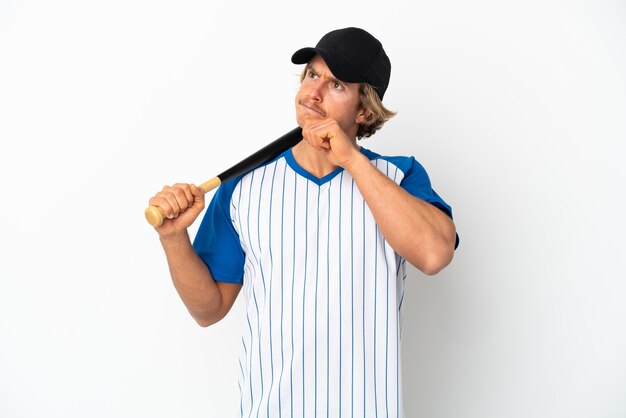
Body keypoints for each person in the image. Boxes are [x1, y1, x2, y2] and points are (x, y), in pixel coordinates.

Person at [148, 27, 458, 417]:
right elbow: (208, 311)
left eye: (337, 85)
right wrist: (174, 238)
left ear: (364, 111)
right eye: (312, 75)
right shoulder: (242, 188)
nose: (314, 92)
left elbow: (434, 254)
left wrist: (352, 161)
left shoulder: (400, 178)